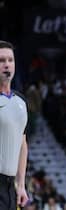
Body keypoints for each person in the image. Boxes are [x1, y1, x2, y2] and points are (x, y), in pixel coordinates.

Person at [0, 40, 29, 210]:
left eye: (10, 60)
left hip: (10, 187)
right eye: (1, 60)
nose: (7, 65)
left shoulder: (21, 102)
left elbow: (22, 144)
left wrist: (21, 184)